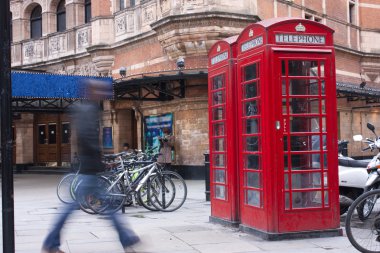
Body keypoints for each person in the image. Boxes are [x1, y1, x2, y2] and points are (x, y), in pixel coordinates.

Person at [41, 79, 140, 253]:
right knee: (84, 206)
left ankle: (126, 239)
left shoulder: (89, 108)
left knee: (103, 205)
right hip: (89, 167)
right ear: (92, 92)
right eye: (100, 90)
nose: (104, 93)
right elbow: (87, 138)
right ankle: (51, 242)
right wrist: (100, 158)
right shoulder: (87, 110)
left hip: (90, 166)